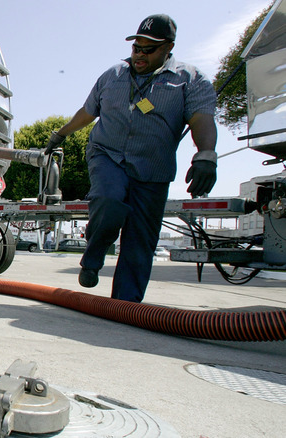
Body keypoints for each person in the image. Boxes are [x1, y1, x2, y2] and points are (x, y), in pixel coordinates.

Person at [43, 14, 217, 302]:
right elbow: (88, 111)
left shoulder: (191, 80)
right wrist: (61, 134)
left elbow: (201, 118)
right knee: (110, 199)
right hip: (107, 154)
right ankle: (93, 256)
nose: (139, 55)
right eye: (137, 47)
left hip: (153, 167)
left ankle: (126, 306)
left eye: (149, 50)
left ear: (168, 49)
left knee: (140, 239)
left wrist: (206, 155)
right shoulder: (112, 75)